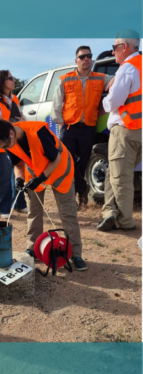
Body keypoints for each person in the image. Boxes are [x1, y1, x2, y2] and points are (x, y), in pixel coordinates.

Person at [0, 119, 87, 271]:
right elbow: (18, 164)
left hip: (60, 170)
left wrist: (41, 178)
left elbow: (55, 158)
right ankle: (33, 248)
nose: (6, 149)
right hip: (35, 172)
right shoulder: (9, 141)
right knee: (34, 211)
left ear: (11, 134)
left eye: (5, 146)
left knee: (68, 212)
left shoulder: (38, 132)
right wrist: (19, 179)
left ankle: (75, 254)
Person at [52, 46, 114, 208]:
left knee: (83, 162)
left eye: (89, 56)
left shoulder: (100, 78)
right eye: (82, 57)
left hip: (87, 128)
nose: (86, 59)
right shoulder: (66, 79)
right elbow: (57, 104)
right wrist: (60, 123)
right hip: (69, 127)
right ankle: (82, 188)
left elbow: (117, 80)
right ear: (76, 60)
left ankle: (81, 191)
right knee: (68, 161)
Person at [98, 30, 142, 232]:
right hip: (138, 131)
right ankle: (109, 212)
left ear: (124, 47)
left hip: (125, 130)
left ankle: (125, 222)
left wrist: (106, 95)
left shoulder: (127, 69)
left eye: (115, 47)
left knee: (121, 178)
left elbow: (114, 102)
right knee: (113, 173)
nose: (113, 52)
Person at [0, 70, 28, 217]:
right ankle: (1, 208)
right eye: (10, 78)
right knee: (4, 176)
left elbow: (20, 118)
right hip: (1, 146)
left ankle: (19, 204)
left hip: (14, 144)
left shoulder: (15, 99)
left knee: (17, 174)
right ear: (2, 82)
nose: (13, 80)